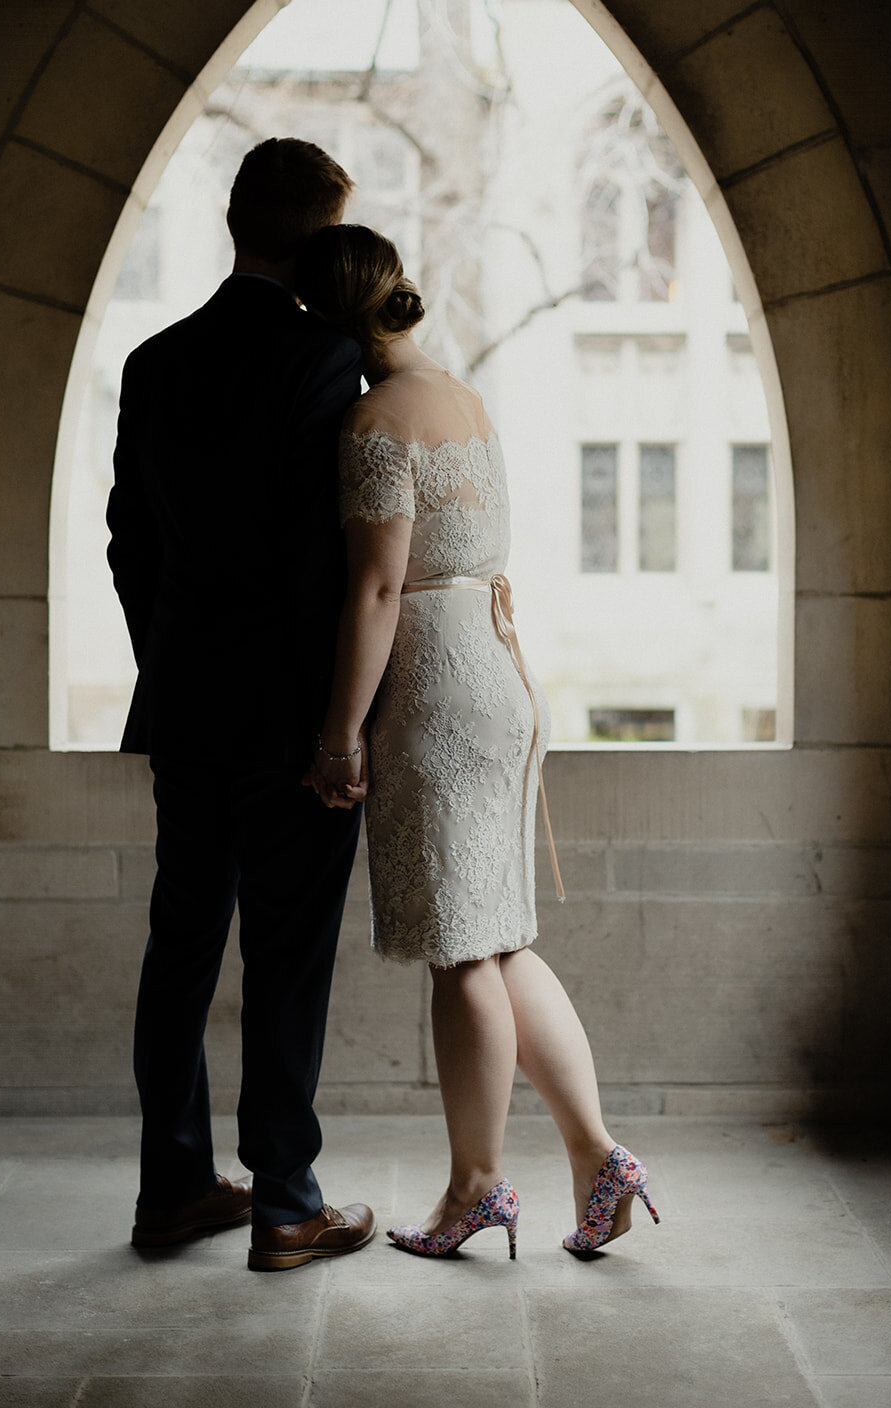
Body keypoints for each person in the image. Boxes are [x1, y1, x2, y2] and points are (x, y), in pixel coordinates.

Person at [294, 223, 659, 1259]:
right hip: (499, 674)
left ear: (325, 321)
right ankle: (596, 1157)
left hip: (433, 686)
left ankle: (474, 1186)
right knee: (498, 937)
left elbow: (373, 587)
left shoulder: (373, 421)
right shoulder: (462, 398)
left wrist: (337, 733)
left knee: (458, 951)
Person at [106, 138, 375, 1272]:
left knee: (181, 941)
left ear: (231, 223)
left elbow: (129, 543)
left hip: (187, 704)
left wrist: (167, 664)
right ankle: (283, 1202)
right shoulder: (324, 361)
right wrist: (334, 725)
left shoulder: (153, 360)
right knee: (287, 950)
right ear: (319, 239)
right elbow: (322, 560)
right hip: (288, 716)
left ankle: (171, 1189)